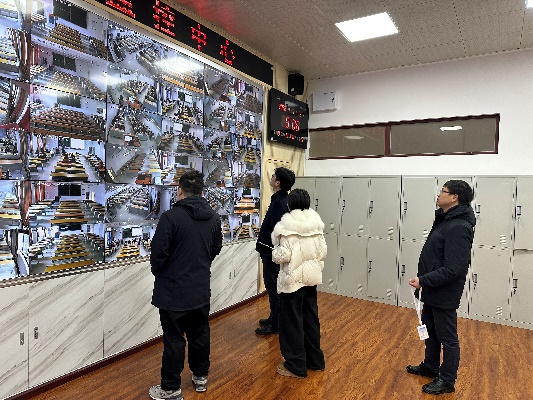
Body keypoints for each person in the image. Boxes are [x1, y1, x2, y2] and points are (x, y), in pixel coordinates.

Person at [149, 169, 223, 400]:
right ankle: (200, 377)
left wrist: (165, 272)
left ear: (179, 191)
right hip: (200, 289)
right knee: (200, 334)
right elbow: (216, 248)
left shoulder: (170, 218)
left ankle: (171, 388)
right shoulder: (214, 218)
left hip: (173, 291)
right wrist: (199, 264)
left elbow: (158, 255)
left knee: (174, 339)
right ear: (202, 192)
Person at [407, 180, 475, 395]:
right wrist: (426, 282)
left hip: (443, 292)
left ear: (454, 197)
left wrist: (424, 280)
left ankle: (447, 380)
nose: (438, 195)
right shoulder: (446, 219)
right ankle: (430, 366)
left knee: (448, 338)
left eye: (443, 191)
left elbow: (453, 268)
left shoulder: (459, 226)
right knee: (431, 332)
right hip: (432, 289)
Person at [271, 188, 327, 378]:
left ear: (290, 204)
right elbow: (322, 252)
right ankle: (315, 361)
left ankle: (295, 365)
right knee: (311, 319)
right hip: (311, 279)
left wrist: (274, 251)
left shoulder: (286, 227)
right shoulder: (316, 226)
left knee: (291, 322)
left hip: (292, 281)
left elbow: (282, 256)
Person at [255, 167, 295, 335]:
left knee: (273, 288)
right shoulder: (282, 199)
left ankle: (276, 324)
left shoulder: (279, 203)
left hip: (272, 252)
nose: (271, 177)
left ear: (277, 182)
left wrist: (265, 241)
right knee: (273, 287)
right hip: (273, 251)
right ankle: (274, 317)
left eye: (273, 176)